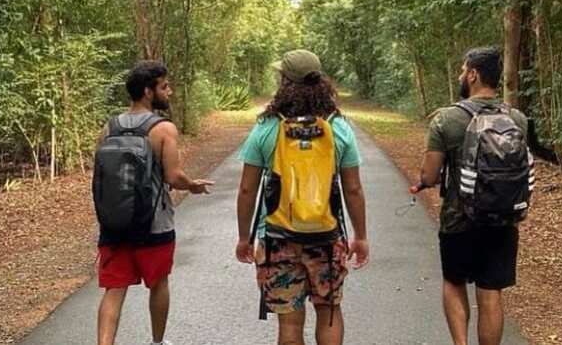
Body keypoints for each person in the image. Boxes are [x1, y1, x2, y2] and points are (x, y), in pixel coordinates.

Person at [235, 49, 370, 345]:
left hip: (277, 237)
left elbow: (247, 189)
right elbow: (353, 189)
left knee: (290, 323)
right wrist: (360, 235)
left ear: (284, 80)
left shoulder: (267, 127)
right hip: (326, 236)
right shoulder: (338, 127)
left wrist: (244, 237)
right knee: (329, 311)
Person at [409, 47, 530, 345]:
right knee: (490, 294)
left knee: (454, 283)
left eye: (463, 70)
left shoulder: (446, 120)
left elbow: (430, 174)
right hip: (503, 219)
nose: (461, 75)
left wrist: (422, 182)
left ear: (474, 74)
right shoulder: (517, 118)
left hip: (458, 220)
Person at [95, 61, 214, 345]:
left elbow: (101, 173)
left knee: (114, 289)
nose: (169, 92)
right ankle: (157, 342)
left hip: (114, 221)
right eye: (164, 86)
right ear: (148, 91)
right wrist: (192, 185)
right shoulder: (163, 129)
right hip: (154, 223)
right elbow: (173, 176)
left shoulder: (108, 127)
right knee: (158, 283)